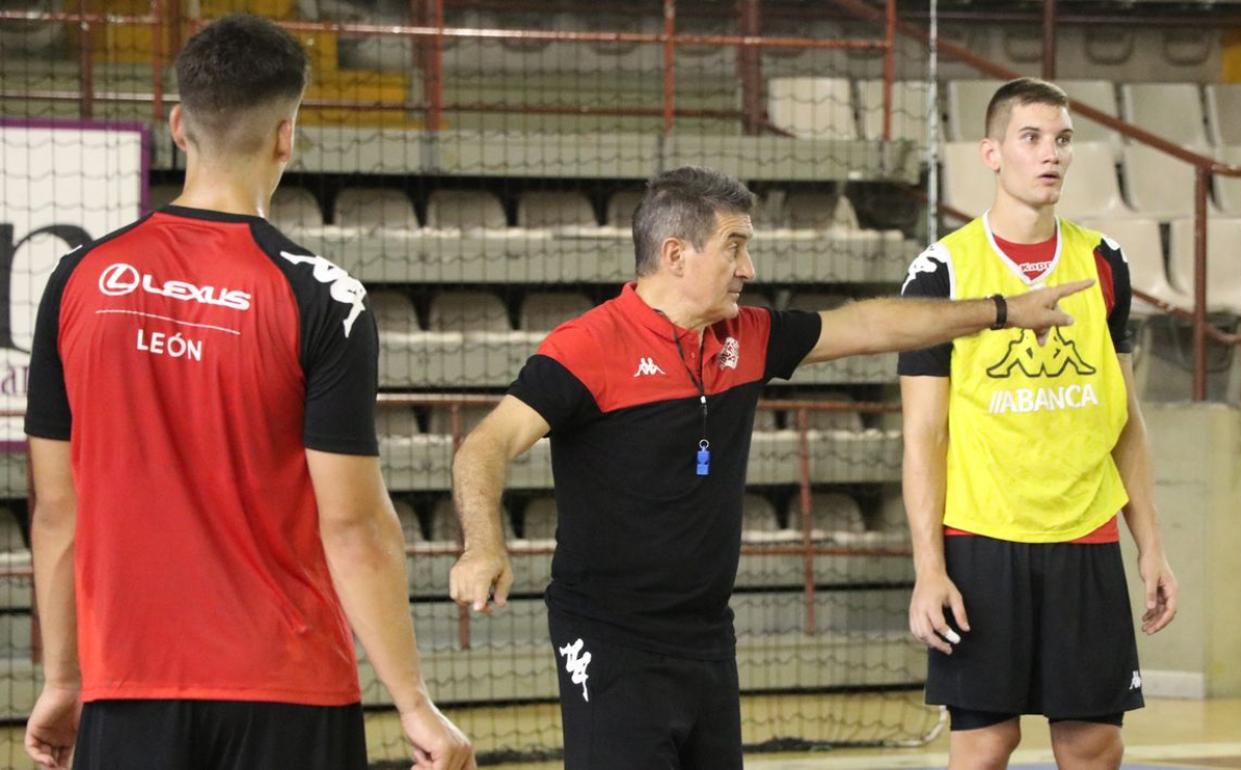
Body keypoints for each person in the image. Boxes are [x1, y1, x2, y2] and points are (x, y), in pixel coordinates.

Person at [448, 165, 1090, 770]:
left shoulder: (747, 336)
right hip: (608, 638)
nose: (747, 268)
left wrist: (1002, 311)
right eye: (733, 247)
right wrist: (483, 545)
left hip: (707, 636)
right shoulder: (588, 347)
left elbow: (871, 325)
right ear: (676, 255)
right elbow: (485, 444)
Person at [22, 14, 473, 770]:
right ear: (286, 135)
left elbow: (57, 512)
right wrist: (412, 703)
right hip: (288, 693)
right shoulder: (325, 297)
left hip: (126, 689)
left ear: (177, 124)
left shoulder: (76, 279)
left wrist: (64, 679)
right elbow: (355, 527)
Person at [899, 77, 1179, 770]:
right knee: (986, 746)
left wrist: (1150, 544)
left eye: (1061, 140)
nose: (1050, 154)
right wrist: (928, 567)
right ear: (992, 153)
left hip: (1084, 535)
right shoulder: (942, 272)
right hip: (982, 539)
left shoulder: (1104, 263)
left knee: (1093, 747)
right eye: (1031, 138)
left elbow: (1123, 418)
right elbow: (923, 436)